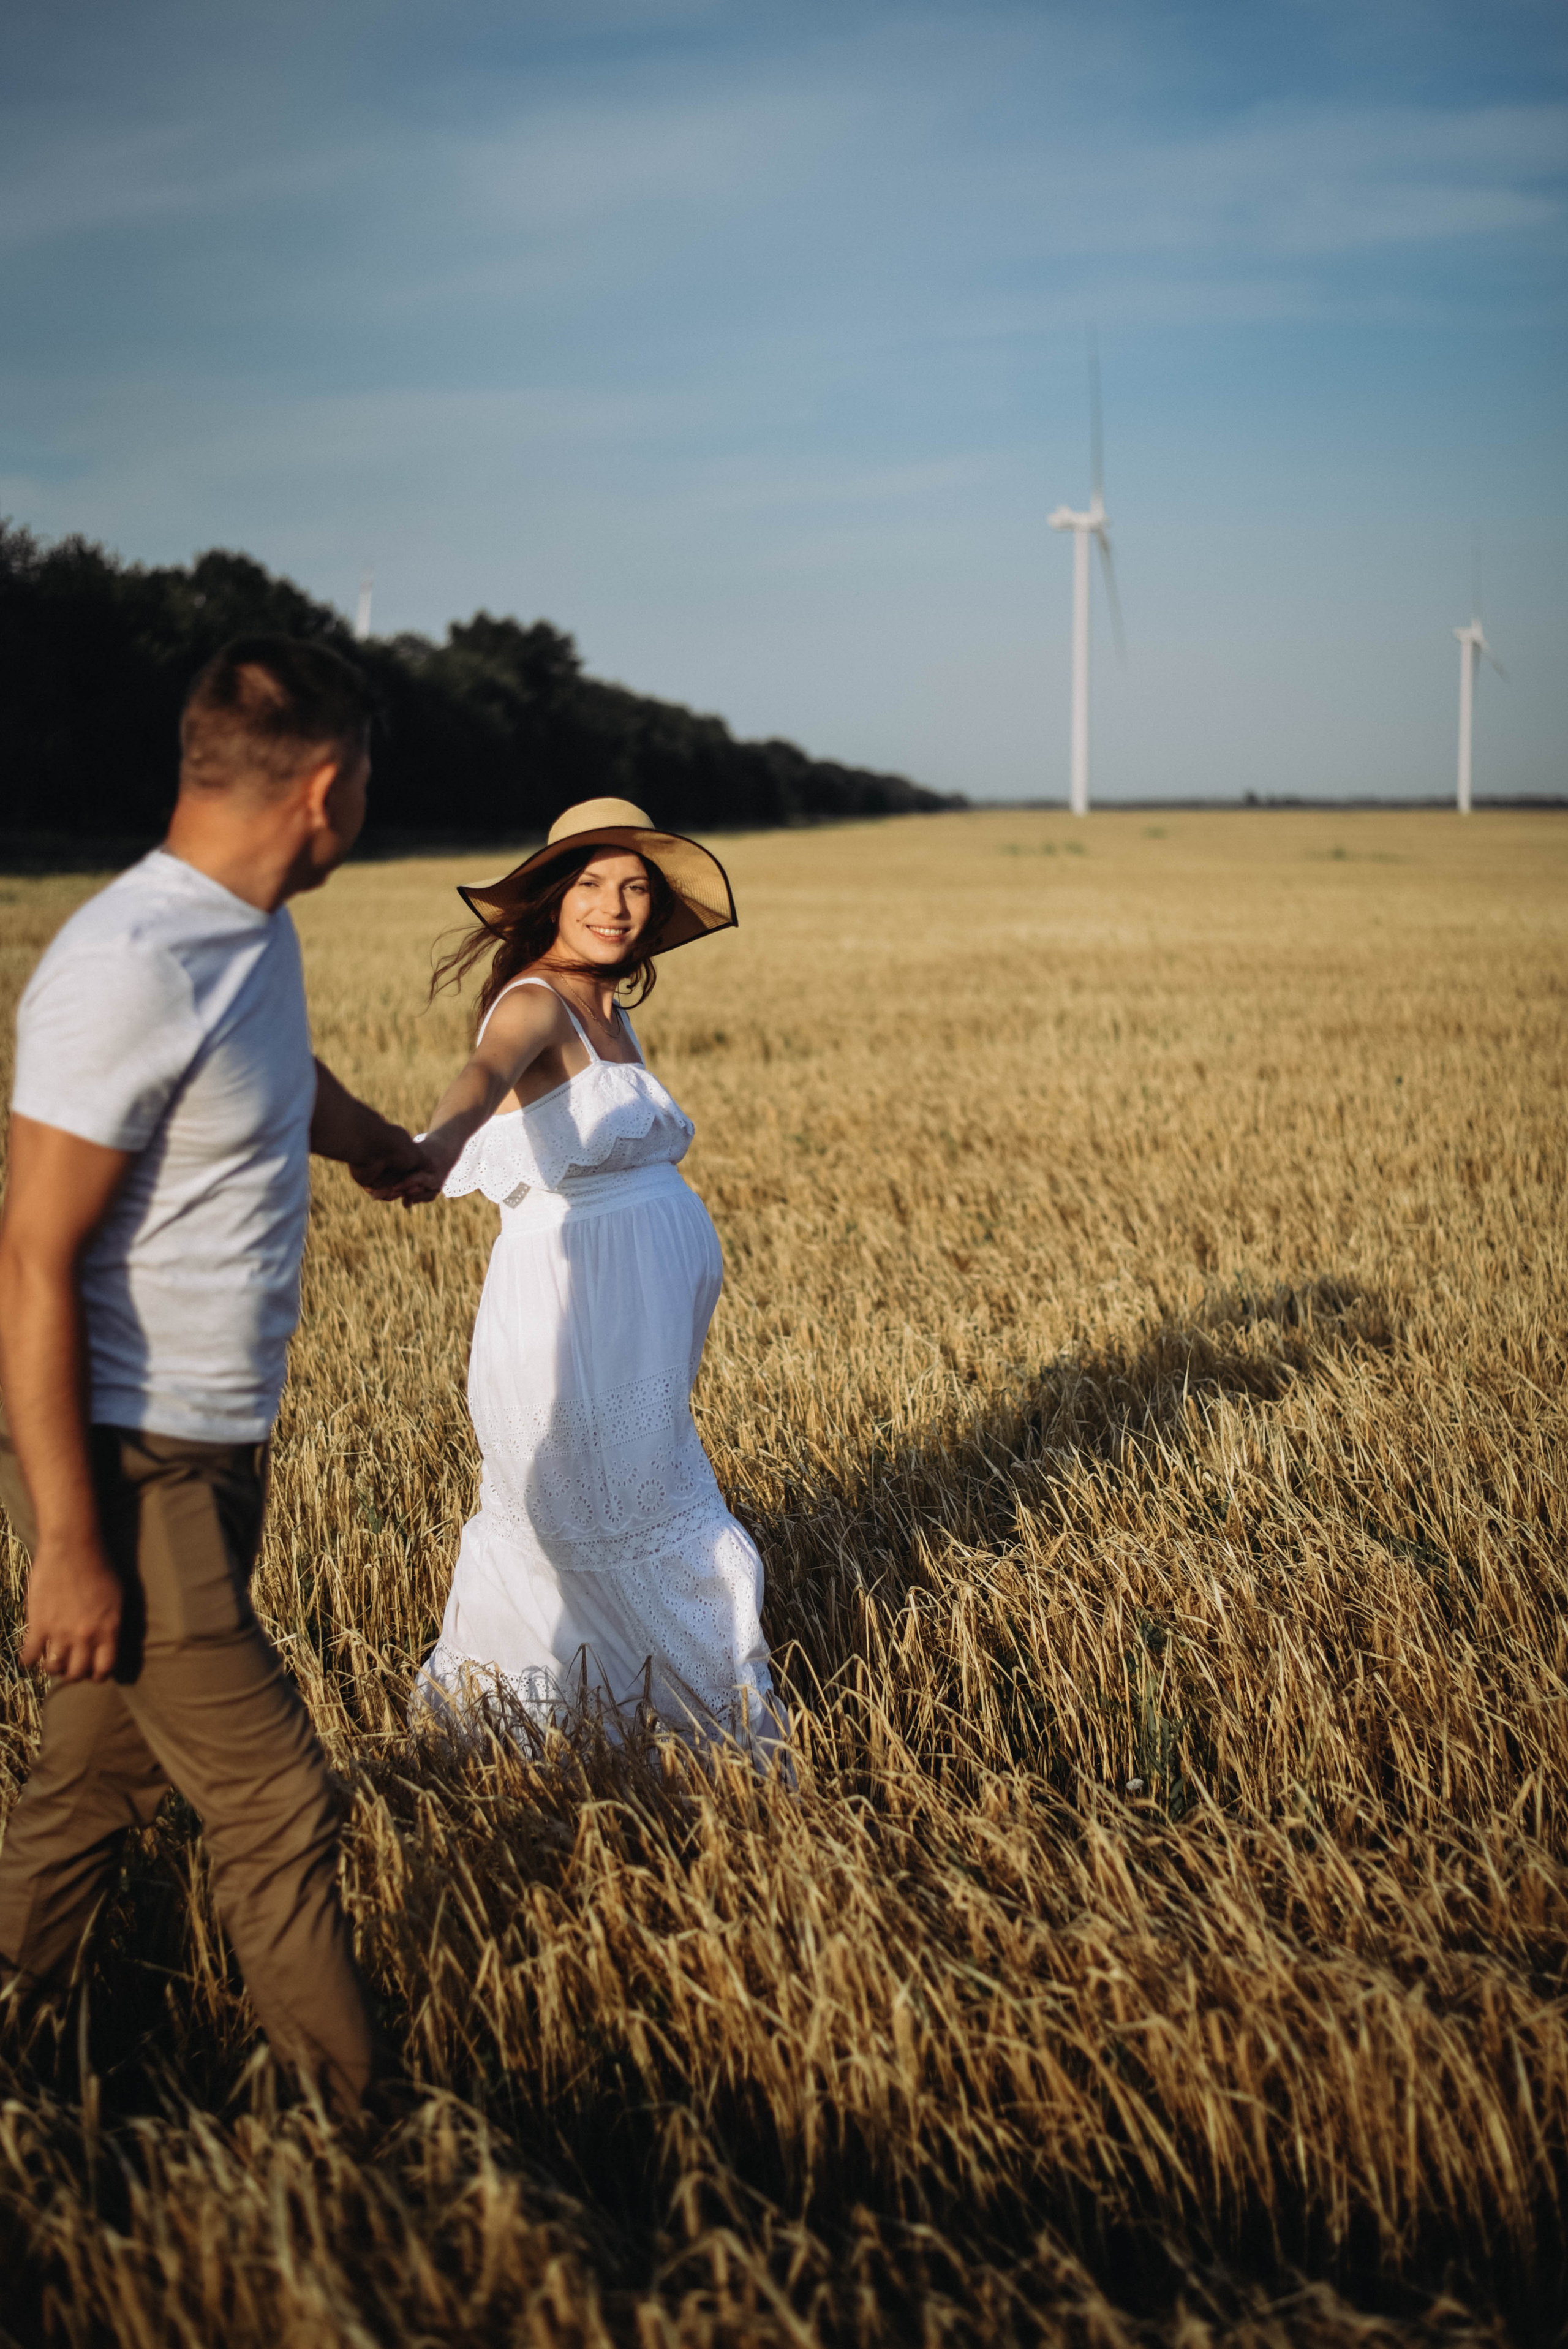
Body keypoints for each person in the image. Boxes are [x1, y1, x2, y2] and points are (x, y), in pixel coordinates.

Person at [0, 635, 431, 2116]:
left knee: (91, 1792)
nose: (367, 795)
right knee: (275, 1798)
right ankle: (351, 2129)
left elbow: (270, 1072)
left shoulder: (249, 934)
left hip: (209, 1443)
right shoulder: (128, 963)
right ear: (327, 787)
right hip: (128, 1465)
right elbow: (29, 1260)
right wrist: (69, 1542)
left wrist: (368, 1137)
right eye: (368, 773)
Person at [391, 798, 786, 1758]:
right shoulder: (536, 1000)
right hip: (572, 1302)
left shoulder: (609, 1007)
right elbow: (483, 1077)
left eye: (636, 887)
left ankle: (641, 1713)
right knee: (587, 1503)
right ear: (552, 896)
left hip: (638, 1307)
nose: (615, 905)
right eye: (592, 884)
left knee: (636, 1490)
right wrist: (439, 1145)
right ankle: (598, 1723)